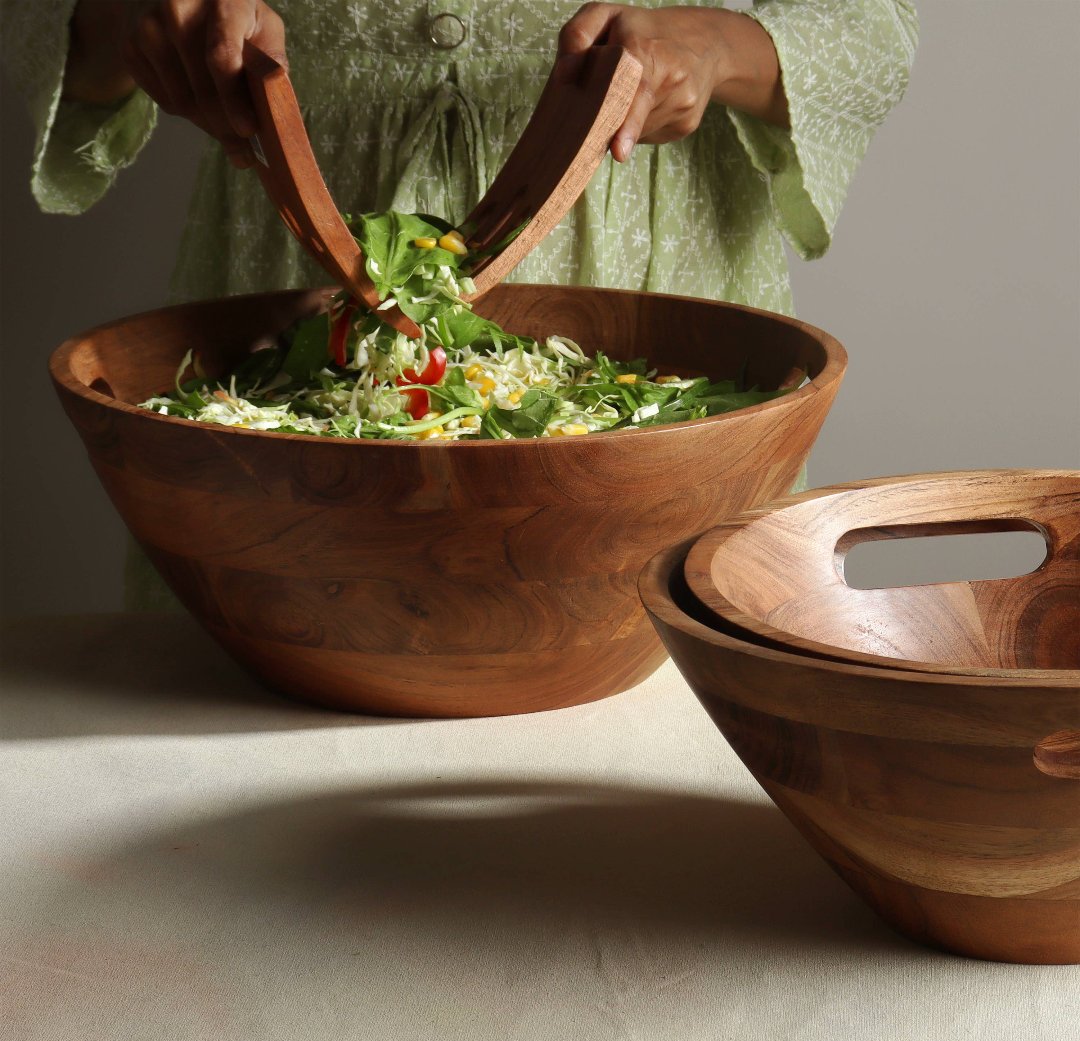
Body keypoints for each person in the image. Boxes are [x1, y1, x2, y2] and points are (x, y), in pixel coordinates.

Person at [3, 0, 917, 606]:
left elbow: (872, 23)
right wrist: (126, 19)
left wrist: (719, 45)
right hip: (287, 240)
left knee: (649, 738)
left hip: (650, 283)